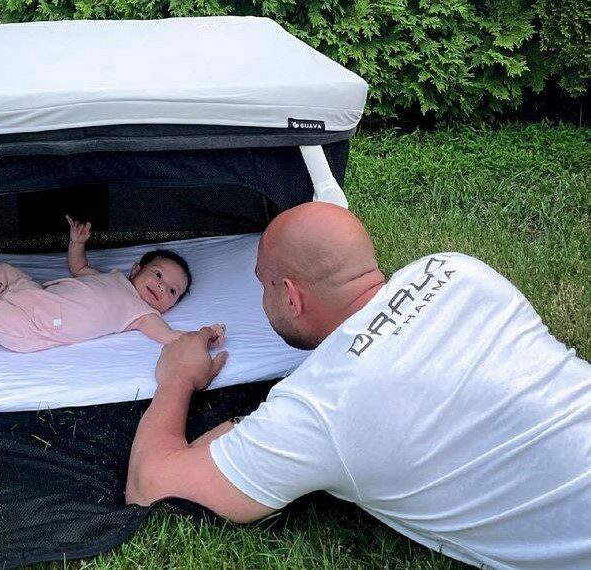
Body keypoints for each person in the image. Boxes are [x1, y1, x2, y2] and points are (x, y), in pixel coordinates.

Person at [126, 201, 591, 569]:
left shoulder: (321, 406)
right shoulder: (457, 270)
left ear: (291, 296)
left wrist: (177, 378)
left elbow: (151, 486)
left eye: (264, 286)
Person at [0, 215, 225, 353]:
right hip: (36, 295)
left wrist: (205, 335)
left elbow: (170, 337)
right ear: (136, 269)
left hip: (42, 326)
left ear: (171, 305)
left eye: (172, 291)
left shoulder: (143, 314)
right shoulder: (112, 278)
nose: (162, 287)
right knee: (3, 271)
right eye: (158, 275)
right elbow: (79, 267)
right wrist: (77, 242)